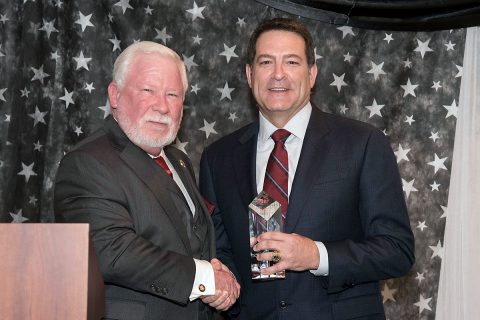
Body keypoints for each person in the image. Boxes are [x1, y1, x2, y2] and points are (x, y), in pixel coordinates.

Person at [199, 18, 415, 320]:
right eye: (265, 62)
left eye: (291, 62)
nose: (278, 74)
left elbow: (397, 250)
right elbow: (222, 251)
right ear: (249, 74)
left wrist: (316, 255)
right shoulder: (217, 158)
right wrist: (223, 284)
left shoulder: (363, 144)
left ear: (311, 74)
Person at [54, 41, 240, 320]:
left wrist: (221, 280)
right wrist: (204, 277)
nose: (162, 106)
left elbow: (195, 242)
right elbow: (110, 251)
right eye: (148, 90)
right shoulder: (88, 162)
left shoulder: (178, 160)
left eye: (173, 94)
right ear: (115, 95)